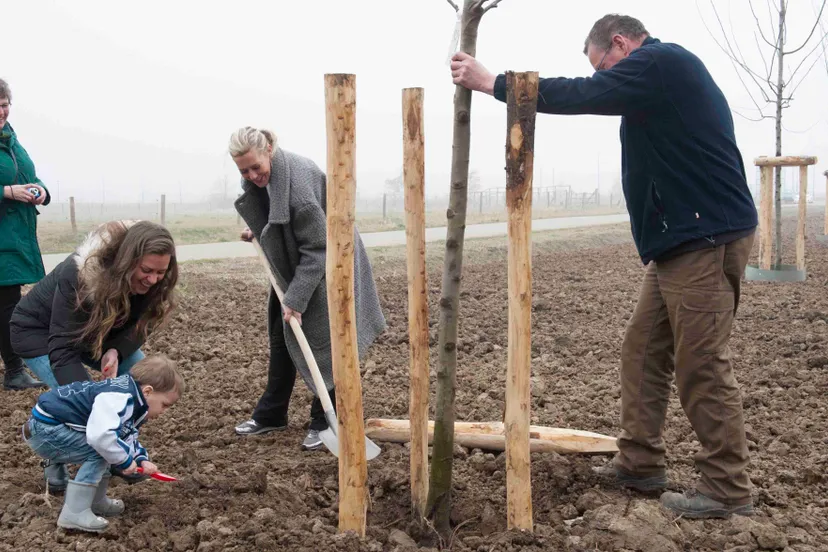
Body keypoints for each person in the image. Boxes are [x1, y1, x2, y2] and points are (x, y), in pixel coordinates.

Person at [450, 14, 758, 519]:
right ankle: (640, 463)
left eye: (604, 66)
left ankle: (728, 489)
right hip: (678, 243)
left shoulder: (660, 61)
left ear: (621, 43)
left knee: (700, 362)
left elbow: (585, 95)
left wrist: (498, 85)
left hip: (705, 239)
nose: (604, 79)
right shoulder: (654, 79)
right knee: (642, 350)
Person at [229, 126, 386, 450]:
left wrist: (297, 300)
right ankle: (271, 414)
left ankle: (323, 419)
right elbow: (273, 214)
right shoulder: (263, 175)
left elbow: (318, 249)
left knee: (324, 341)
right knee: (281, 334)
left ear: (269, 148)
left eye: (256, 167)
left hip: (330, 265)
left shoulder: (299, 188)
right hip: (293, 264)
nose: (251, 175)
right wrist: (257, 229)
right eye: (243, 170)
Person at [11, 219, 178, 490]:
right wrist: (95, 397)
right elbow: (62, 346)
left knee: (139, 384)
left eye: (160, 272)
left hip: (92, 334)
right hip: (39, 334)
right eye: (147, 270)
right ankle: (55, 462)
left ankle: (120, 452)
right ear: (126, 262)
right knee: (79, 406)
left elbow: (142, 324)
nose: (153, 279)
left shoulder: (156, 277)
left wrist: (116, 350)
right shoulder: (79, 275)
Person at [22, 354, 184, 532]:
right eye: (165, 405)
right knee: (102, 450)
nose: (164, 412)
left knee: (110, 449)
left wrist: (140, 459)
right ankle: (74, 512)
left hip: (51, 427)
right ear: (148, 391)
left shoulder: (131, 398)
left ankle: (95, 501)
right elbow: (101, 437)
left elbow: (125, 435)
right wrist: (125, 461)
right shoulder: (119, 398)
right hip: (45, 430)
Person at [0, 78, 49, 390]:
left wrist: (40, 190)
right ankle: (15, 369)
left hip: (13, 236)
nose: (1, 112)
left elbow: (29, 176)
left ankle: (14, 370)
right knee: (7, 306)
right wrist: (7, 192)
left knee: (8, 303)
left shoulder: (12, 141)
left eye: (4, 105)